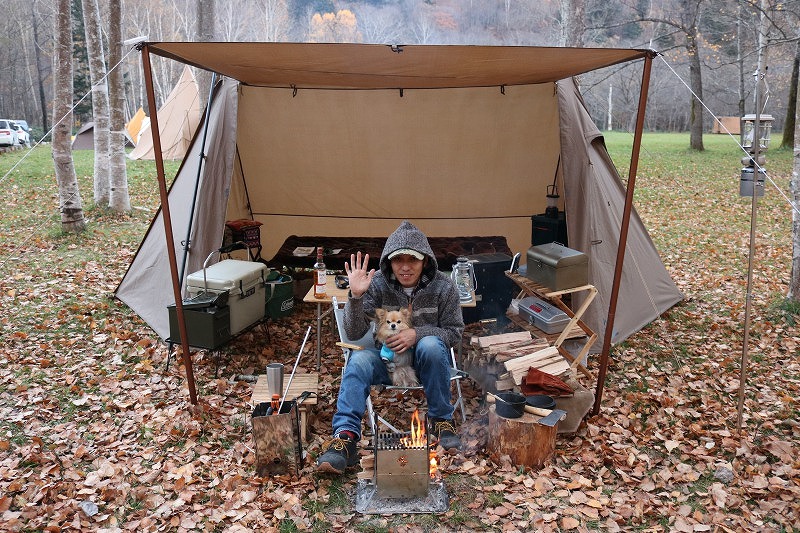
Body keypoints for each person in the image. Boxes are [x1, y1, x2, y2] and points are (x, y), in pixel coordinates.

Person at [316, 220, 465, 474]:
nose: (405, 267)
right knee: (358, 359)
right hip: (386, 361)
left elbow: (454, 332)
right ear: (389, 262)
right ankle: (345, 438)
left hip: (427, 363)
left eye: (413, 260)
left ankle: (442, 421)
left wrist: (416, 334)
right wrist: (355, 296)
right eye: (398, 260)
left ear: (425, 261)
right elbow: (353, 333)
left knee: (430, 345)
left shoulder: (444, 286)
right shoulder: (378, 284)